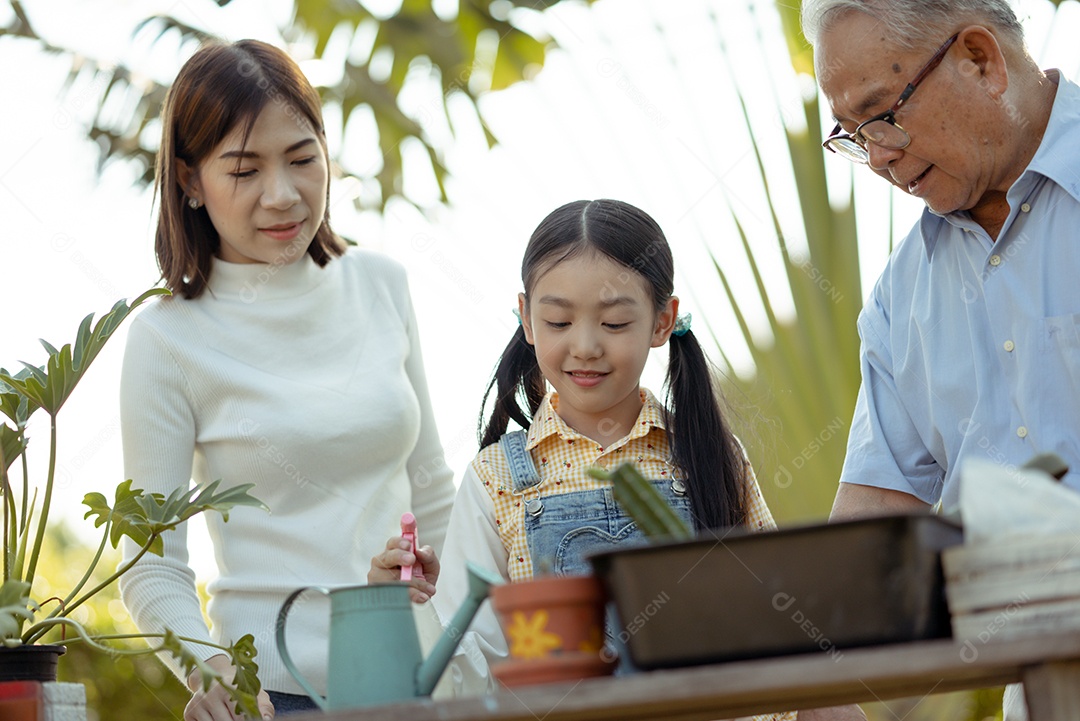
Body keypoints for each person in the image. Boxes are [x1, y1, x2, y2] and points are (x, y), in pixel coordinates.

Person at [372, 198, 864, 721]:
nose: (585, 345)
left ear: (662, 321)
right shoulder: (497, 478)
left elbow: (778, 624)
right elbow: (469, 669)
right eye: (559, 321)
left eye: (613, 323)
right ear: (527, 319)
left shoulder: (708, 457)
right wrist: (401, 607)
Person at [118, 39, 454, 720]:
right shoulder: (167, 338)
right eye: (245, 170)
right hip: (278, 695)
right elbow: (151, 561)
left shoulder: (380, 285)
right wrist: (213, 673)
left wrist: (469, 643)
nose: (282, 195)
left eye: (302, 159)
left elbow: (433, 491)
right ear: (189, 180)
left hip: (419, 680)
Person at [801, 0, 1080, 717]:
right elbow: (874, 521)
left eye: (882, 115)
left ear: (980, 60)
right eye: (853, 135)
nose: (878, 157)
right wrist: (817, 689)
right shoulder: (901, 298)